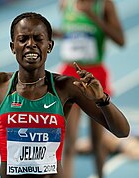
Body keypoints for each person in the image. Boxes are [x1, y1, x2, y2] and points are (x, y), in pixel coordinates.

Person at [0, 12, 129, 178]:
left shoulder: (65, 87)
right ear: (12, 47)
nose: (30, 44)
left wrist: (102, 99)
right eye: (23, 39)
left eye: (38, 39)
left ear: (49, 46)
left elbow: (122, 131)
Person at [53, 0, 125, 177]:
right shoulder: (65, 4)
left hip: (94, 76)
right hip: (69, 75)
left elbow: (120, 40)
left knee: (97, 140)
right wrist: (57, 34)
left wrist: (94, 17)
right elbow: (72, 34)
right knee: (69, 142)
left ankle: (101, 175)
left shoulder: (104, 5)